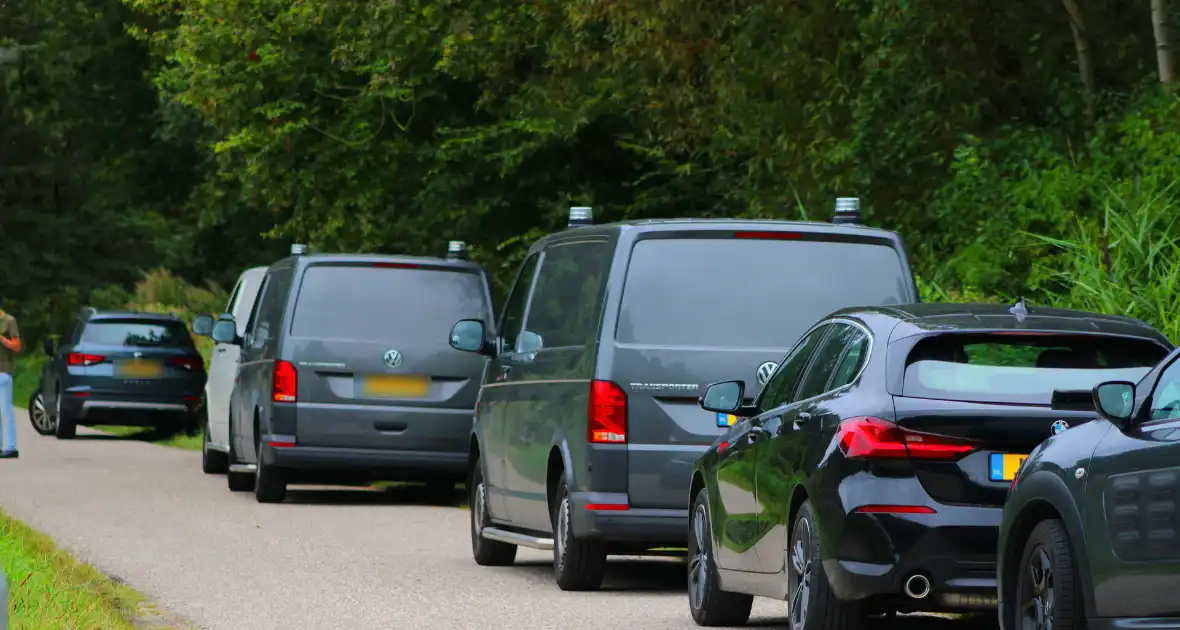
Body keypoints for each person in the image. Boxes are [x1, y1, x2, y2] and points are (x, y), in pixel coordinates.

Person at [0, 304, 21, 458]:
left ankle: (11, 447)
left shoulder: (9, 321)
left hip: (4, 371)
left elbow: (16, 346)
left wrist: (1, 338)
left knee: (6, 410)